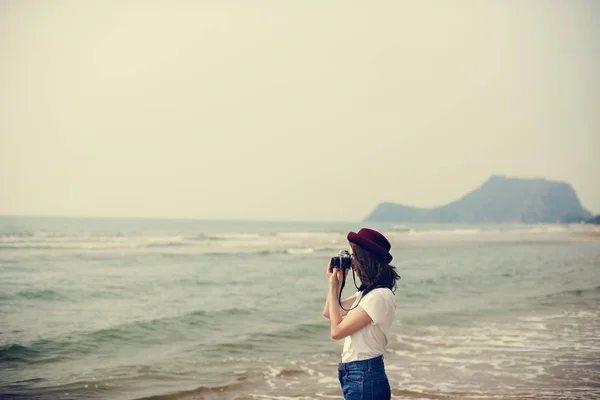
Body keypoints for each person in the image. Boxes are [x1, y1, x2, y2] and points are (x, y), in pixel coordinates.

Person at [322, 228, 400, 400]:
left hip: (364, 375)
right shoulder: (366, 295)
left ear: (365, 259)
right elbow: (329, 311)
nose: (352, 263)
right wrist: (335, 283)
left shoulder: (379, 296)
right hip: (356, 375)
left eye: (353, 256)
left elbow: (336, 331)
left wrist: (334, 286)